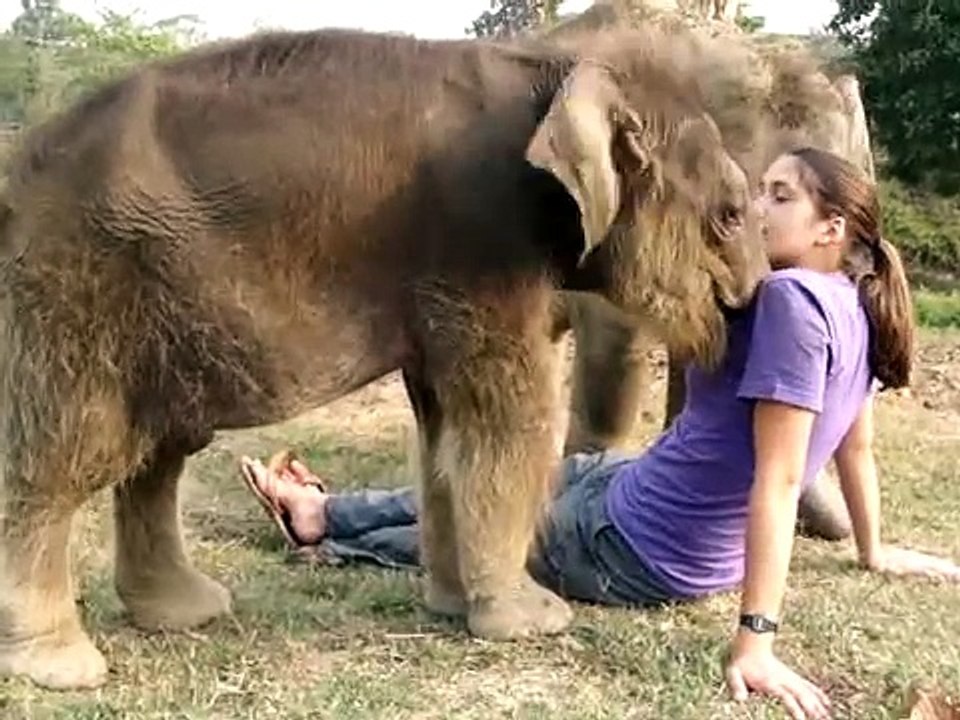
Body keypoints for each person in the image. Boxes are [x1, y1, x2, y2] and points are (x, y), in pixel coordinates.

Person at [239, 147, 960, 720]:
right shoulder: (860, 307)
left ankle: (321, 528)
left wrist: (757, 645)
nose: (756, 208)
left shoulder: (793, 304)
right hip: (633, 489)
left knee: (486, 532)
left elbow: (776, 482)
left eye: (780, 195)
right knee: (515, 485)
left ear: (831, 229)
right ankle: (327, 510)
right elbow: (855, 446)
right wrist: (872, 552)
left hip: (637, 547)